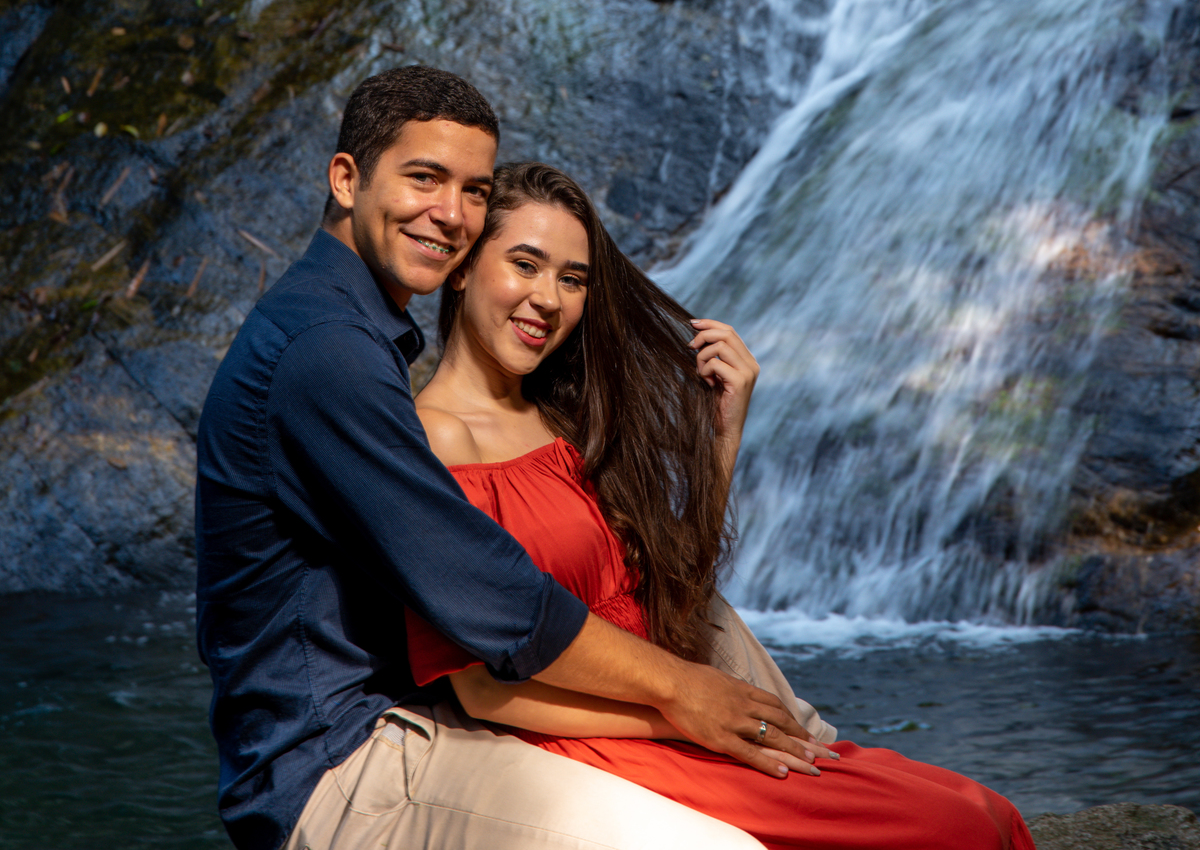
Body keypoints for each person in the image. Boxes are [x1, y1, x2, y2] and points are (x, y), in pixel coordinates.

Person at [195, 65, 822, 850]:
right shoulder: (329, 352)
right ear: (347, 179)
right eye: (425, 178)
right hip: (339, 761)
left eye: (474, 190)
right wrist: (678, 692)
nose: (450, 214)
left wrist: (720, 441)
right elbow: (487, 594)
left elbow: (631, 591)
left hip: (408, 725)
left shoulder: (356, 334)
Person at [407, 160, 1039, 850]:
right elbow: (481, 693)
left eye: (572, 278)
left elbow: (668, 600)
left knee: (975, 806)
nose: (549, 298)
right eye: (524, 265)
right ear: (463, 267)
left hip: (683, 713)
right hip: (597, 746)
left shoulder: (563, 422)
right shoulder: (437, 440)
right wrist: (682, 715)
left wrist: (723, 435)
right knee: (951, 827)